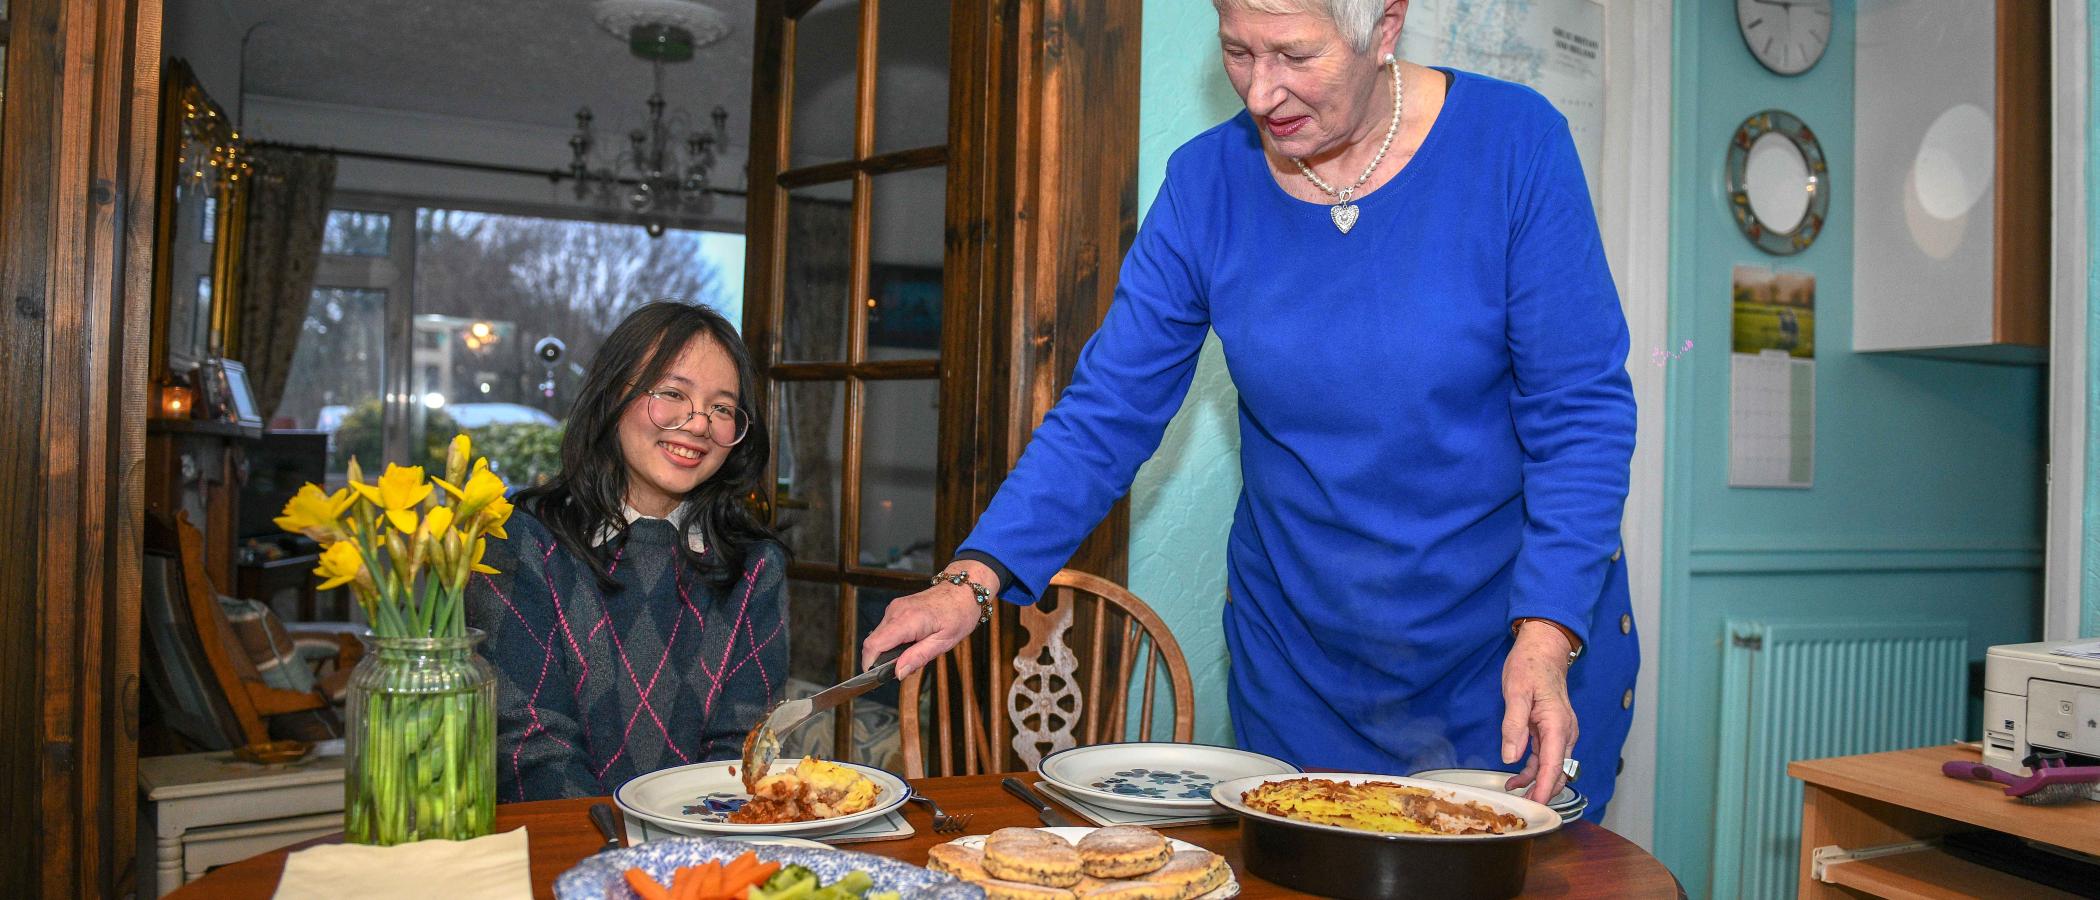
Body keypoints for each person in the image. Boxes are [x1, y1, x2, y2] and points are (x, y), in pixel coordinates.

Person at [862, 0, 1638, 818]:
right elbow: (1109, 409)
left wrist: (1548, 634)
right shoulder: (1207, 184)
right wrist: (974, 577)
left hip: (1513, 641)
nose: (1261, 93)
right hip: (1304, 654)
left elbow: (1580, 413)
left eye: (1296, 56)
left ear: (1385, 27)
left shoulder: (1514, 145)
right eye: (1238, 51)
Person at [468, 301, 786, 802]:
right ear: (611, 396)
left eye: (722, 408)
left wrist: (677, 865)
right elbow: (530, 751)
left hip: (700, 860)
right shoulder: (520, 541)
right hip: (564, 850)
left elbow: (739, 757)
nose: (699, 424)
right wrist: (620, 856)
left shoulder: (754, 565)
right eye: (673, 393)